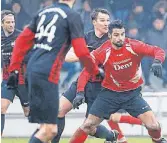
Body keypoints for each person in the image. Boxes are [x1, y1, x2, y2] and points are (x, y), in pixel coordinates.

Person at [7, 0, 98, 143]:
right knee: (50, 130)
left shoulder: (43, 12)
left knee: (45, 128)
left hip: (31, 71)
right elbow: (81, 51)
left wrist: (13, 70)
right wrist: (95, 70)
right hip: (47, 73)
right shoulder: (72, 16)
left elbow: (21, 42)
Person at [71, 20, 167, 143]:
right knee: (87, 126)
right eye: (116, 35)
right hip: (109, 95)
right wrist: (80, 92)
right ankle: (112, 136)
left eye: (122, 34)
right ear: (109, 36)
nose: (120, 38)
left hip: (132, 95)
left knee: (154, 126)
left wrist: (157, 61)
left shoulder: (133, 45)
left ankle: (158, 140)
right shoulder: (102, 51)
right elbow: (86, 71)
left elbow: (158, 50)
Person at [54, 8, 142, 143]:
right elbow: (67, 56)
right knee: (58, 110)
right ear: (94, 22)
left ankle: (110, 136)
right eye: (102, 20)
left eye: (108, 20)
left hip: (102, 88)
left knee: (89, 126)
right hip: (83, 82)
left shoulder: (114, 39)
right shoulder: (86, 38)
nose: (106, 23)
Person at [1, 10, 29, 136]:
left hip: (22, 80)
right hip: (8, 80)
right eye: (8, 22)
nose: (11, 24)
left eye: (13, 22)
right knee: (1, 108)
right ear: (2, 24)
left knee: (28, 113)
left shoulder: (21, 37)